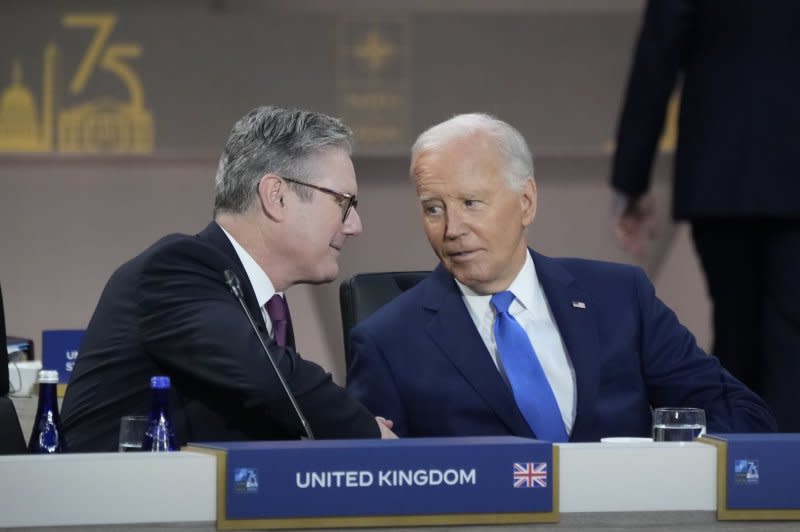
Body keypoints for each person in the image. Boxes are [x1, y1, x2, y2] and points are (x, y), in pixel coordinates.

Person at [346, 113, 776, 441]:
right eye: (433, 208)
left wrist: (664, 469)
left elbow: (741, 415)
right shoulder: (387, 342)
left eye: (472, 203)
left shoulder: (620, 299)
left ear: (526, 202)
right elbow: (374, 486)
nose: (452, 228)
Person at [61, 105, 395, 451]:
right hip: (111, 499)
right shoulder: (175, 270)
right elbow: (267, 377)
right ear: (276, 196)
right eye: (343, 202)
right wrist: (368, 433)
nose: (355, 225)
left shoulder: (264, 301)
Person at [610, 0, 800, 431]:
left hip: (722, 170)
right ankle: (787, 479)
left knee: (735, 330)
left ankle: (742, 472)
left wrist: (630, 179)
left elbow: (658, 54)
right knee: (792, 337)